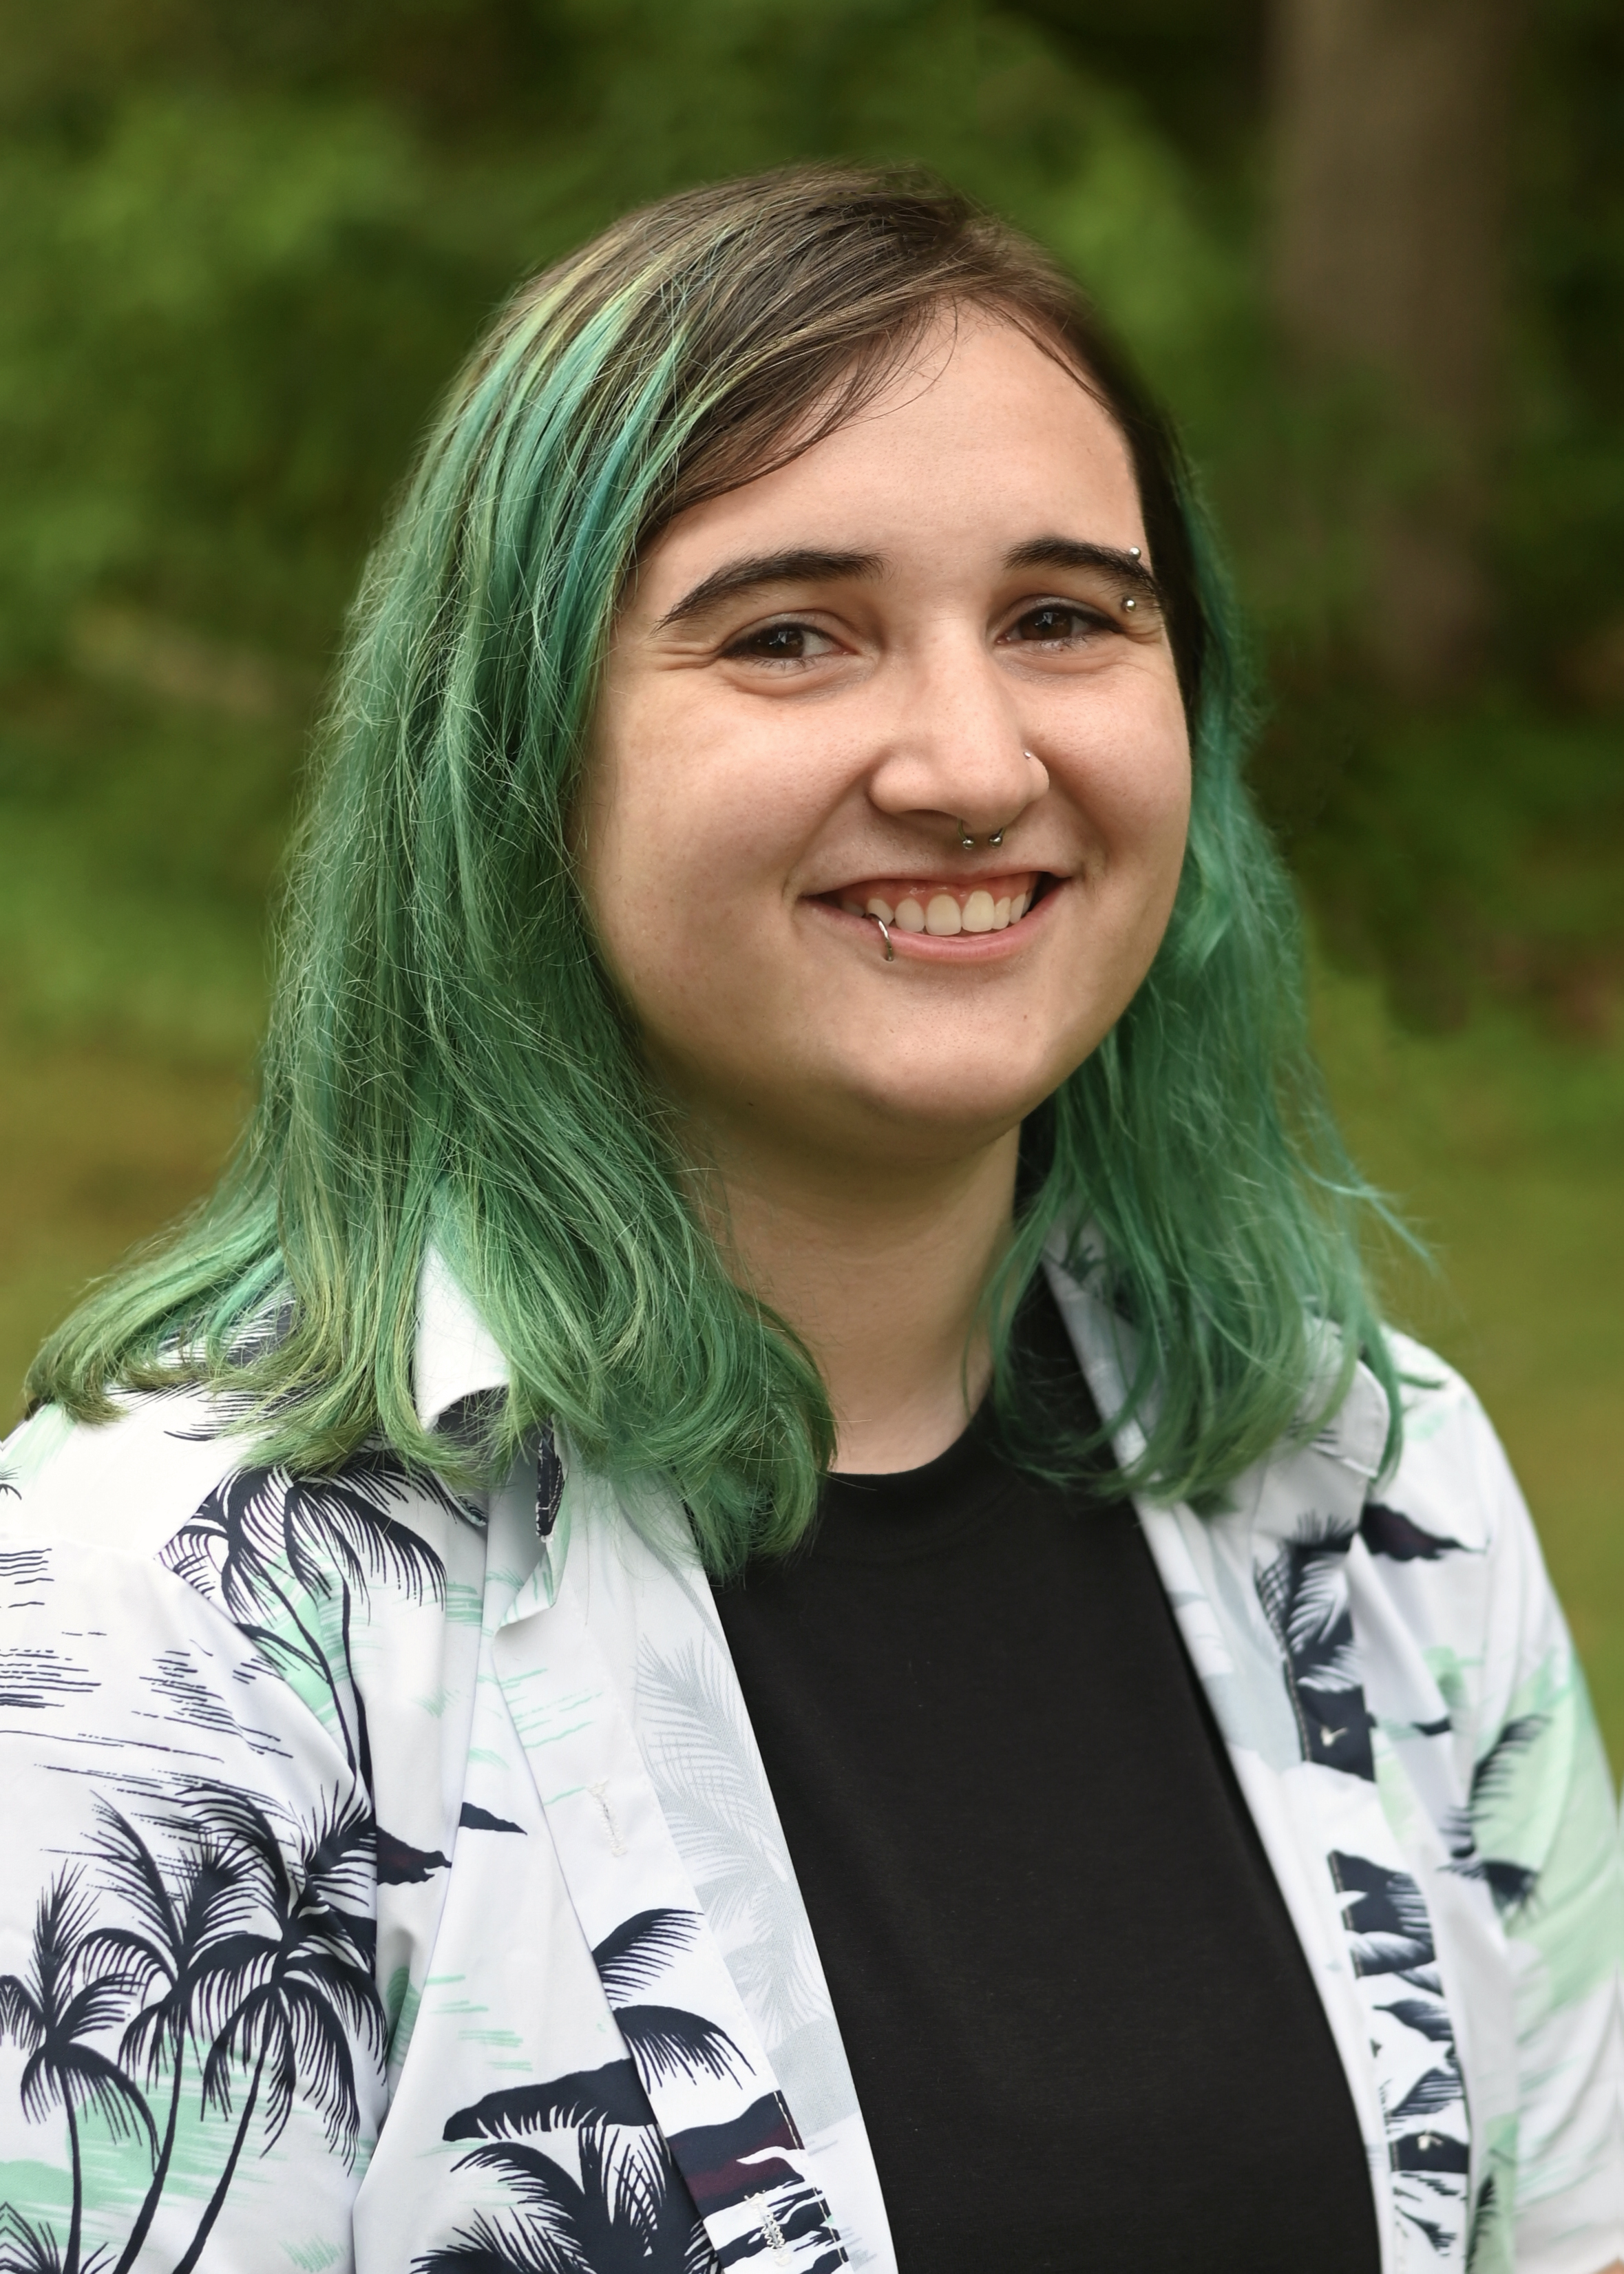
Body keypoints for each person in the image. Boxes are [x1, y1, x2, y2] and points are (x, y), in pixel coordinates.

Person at [0, 167, 1617, 2274]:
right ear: (515, 755)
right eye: (790, 634)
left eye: (1063, 618)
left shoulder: (1383, 1496)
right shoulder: (178, 1620)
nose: (970, 764)